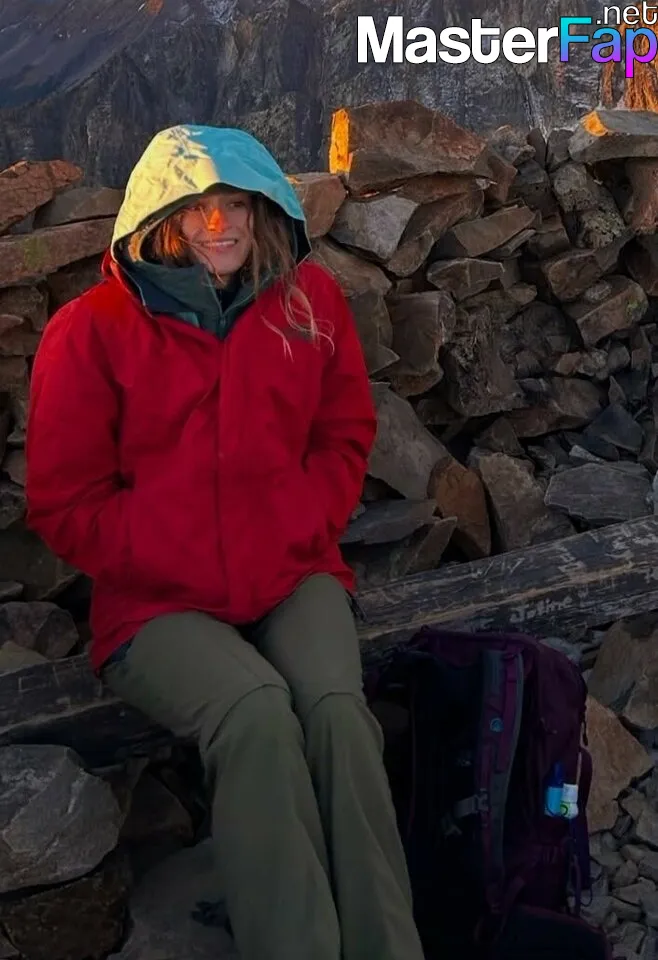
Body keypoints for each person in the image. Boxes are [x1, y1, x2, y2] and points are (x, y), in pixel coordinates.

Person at [25, 125, 425, 960]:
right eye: (197, 207)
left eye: (236, 204)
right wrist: (182, 553)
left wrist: (300, 523)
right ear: (160, 218)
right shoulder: (92, 330)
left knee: (339, 717)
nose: (219, 225)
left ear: (262, 210)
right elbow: (64, 503)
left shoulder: (306, 302)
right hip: (156, 603)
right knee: (254, 716)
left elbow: (344, 432)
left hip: (291, 570)